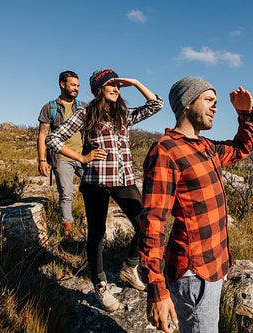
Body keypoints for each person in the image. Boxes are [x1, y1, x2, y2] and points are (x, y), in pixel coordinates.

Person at [139, 76, 253, 333]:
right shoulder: (166, 151)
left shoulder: (206, 147)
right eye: (208, 100)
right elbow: (152, 223)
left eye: (216, 102)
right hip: (194, 274)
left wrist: (245, 114)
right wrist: (157, 289)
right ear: (187, 104)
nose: (215, 107)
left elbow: (241, 148)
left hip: (215, 264)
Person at [46, 68, 163, 312]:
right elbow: (53, 139)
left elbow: (156, 104)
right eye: (110, 84)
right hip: (96, 182)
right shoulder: (85, 113)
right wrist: (81, 157)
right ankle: (100, 285)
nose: (116, 89)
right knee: (97, 233)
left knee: (146, 224)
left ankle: (130, 268)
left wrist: (134, 81)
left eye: (118, 86)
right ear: (98, 89)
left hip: (124, 180)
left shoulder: (124, 115)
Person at [37, 71, 88, 238]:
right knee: (66, 194)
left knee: (92, 189)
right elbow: (43, 134)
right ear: (62, 84)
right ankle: (67, 230)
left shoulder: (83, 107)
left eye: (78, 86)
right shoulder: (50, 107)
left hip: (84, 157)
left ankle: (89, 222)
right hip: (62, 158)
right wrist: (42, 159)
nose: (76, 88)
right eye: (73, 85)